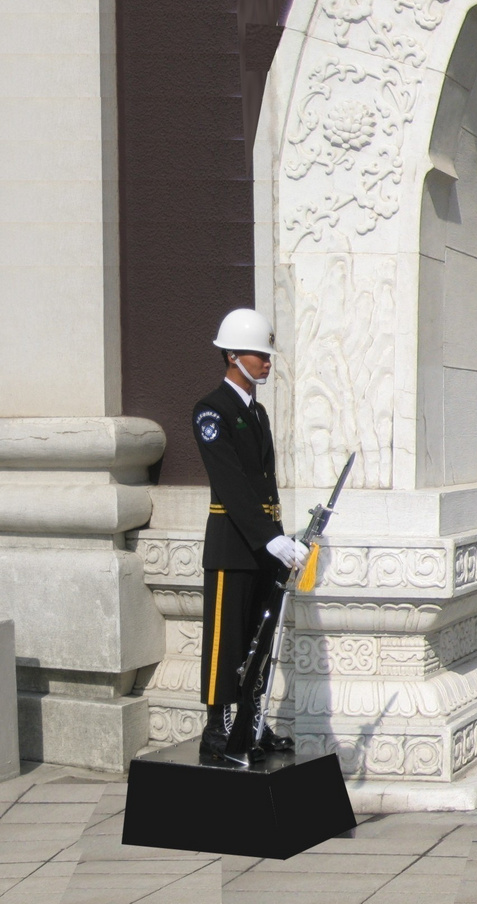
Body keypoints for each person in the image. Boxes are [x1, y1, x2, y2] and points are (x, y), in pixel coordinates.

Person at [194, 308, 309, 767]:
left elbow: (265, 486)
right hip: (232, 547)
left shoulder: (256, 412)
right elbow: (232, 484)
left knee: (258, 641)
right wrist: (269, 539)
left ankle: (252, 724)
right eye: (258, 354)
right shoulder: (211, 411)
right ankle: (217, 730)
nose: (265, 362)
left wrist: (280, 540)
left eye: (265, 354)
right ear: (231, 355)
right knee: (226, 642)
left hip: (263, 548)